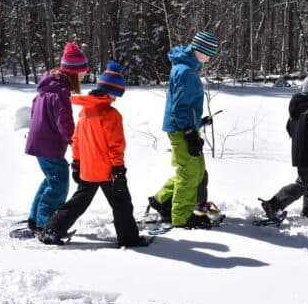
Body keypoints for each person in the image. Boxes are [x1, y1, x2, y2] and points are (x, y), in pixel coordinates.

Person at [39, 61, 152, 247]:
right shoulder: (111, 114)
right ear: (108, 92)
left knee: (78, 203)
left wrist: (77, 163)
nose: (115, 99)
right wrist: (118, 169)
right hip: (108, 171)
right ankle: (129, 238)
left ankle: (52, 229)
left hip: (88, 170)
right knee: (122, 203)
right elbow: (116, 145)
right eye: (115, 95)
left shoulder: (85, 111)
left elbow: (77, 140)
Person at [148, 31, 218, 229]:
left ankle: (161, 200)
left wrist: (197, 122)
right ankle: (182, 217)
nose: (209, 57)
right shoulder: (186, 72)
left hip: (184, 127)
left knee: (193, 172)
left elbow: (185, 106)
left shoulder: (186, 68)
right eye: (208, 53)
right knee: (189, 174)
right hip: (181, 129)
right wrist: (188, 131)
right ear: (199, 50)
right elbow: (179, 107)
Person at [25, 42, 88, 236]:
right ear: (73, 73)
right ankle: (46, 225)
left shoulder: (48, 87)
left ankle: (35, 219)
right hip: (48, 144)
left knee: (51, 179)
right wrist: (76, 142)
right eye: (82, 74)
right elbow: (65, 123)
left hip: (41, 142)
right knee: (59, 183)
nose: (83, 77)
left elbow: (35, 111)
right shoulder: (60, 92)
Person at [259, 76, 308, 221]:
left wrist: (302, 139)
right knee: (304, 184)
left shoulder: (297, 106)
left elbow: (290, 128)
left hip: (302, 152)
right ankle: (273, 205)